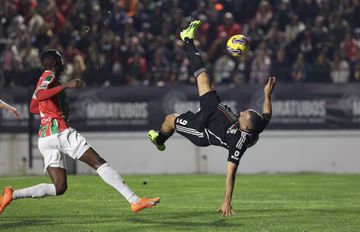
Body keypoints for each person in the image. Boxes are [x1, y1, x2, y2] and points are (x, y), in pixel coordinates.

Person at [0, 49, 160, 215]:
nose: (63, 64)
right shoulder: (49, 76)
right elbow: (41, 95)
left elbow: (34, 106)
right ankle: (134, 200)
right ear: (55, 63)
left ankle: (12, 194)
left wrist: (51, 108)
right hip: (60, 132)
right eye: (60, 61)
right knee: (98, 162)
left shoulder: (43, 79)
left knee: (59, 187)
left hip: (45, 138)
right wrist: (66, 86)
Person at [148, 20, 276, 217]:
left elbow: (231, 173)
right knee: (202, 75)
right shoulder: (256, 126)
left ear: (245, 127)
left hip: (203, 128)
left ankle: (159, 140)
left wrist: (226, 201)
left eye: (242, 116)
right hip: (215, 110)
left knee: (168, 119)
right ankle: (188, 39)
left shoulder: (238, 143)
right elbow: (266, 115)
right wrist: (267, 94)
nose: (241, 112)